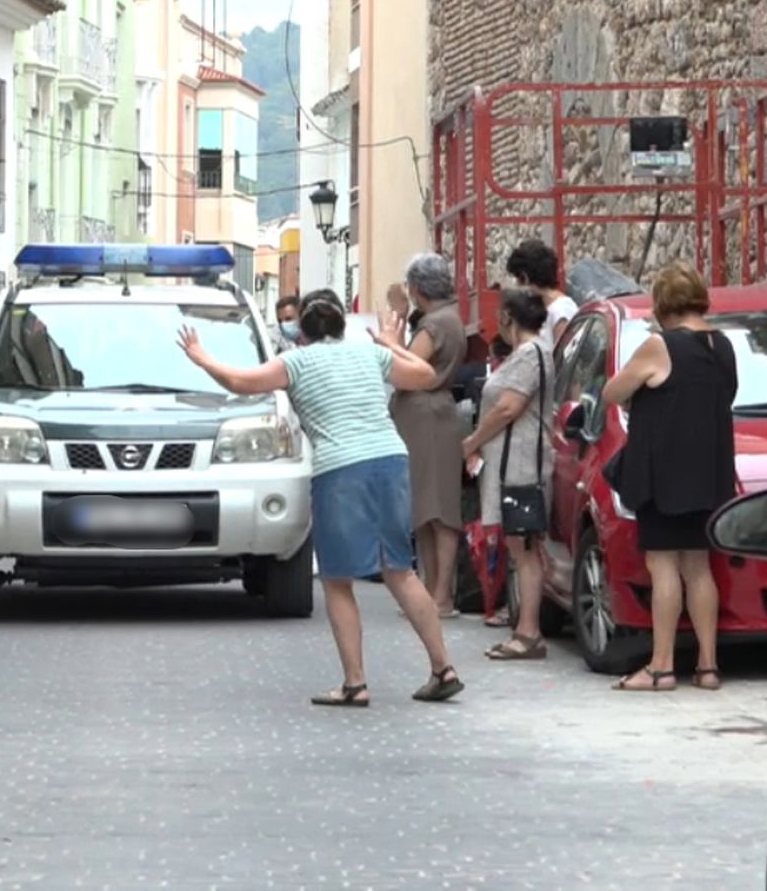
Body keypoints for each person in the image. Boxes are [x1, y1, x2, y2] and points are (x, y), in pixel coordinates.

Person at [177, 291, 464, 706]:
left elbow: (241, 382)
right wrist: (389, 342)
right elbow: (423, 374)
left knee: (337, 579)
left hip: (341, 469)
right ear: (341, 328)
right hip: (389, 460)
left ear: (302, 336)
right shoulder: (370, 356)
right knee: (400, 570)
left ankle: (355, 683)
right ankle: (443, 668)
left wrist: (202, 357)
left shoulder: (296, 362)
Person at [603, 263, 737, 692]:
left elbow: (613, 392)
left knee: (663, 566)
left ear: (662, 305)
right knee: (699, 566)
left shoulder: (661, 346)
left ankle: (661, 667)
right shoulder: (723, 345)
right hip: (709, 469)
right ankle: (708, 666)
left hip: (664, 473)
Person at [462, 289, 558, 654]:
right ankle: (525, 629)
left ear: (507, 318)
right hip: (513, 464)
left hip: (521, 467)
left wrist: (471, 442)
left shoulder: (530, 355)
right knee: (520, 548)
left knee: (524, 548)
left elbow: (508, 408)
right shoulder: (530, 354)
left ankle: (529, 632)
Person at [388, 254, 468, 618]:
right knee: (428, 506)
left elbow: (405, 368)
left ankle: (440, 594)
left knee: (437, 508)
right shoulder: (447, 318)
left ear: (418, 289)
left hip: (426, 417)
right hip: (429, 416)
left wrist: (391, 336)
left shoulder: (435, 324)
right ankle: (434, 590)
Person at [506, 238, 577, 346]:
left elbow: (563, 358)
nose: (517, 285)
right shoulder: (545, 310)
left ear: (524, 278)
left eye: (517, 279)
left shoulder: (561, 311)